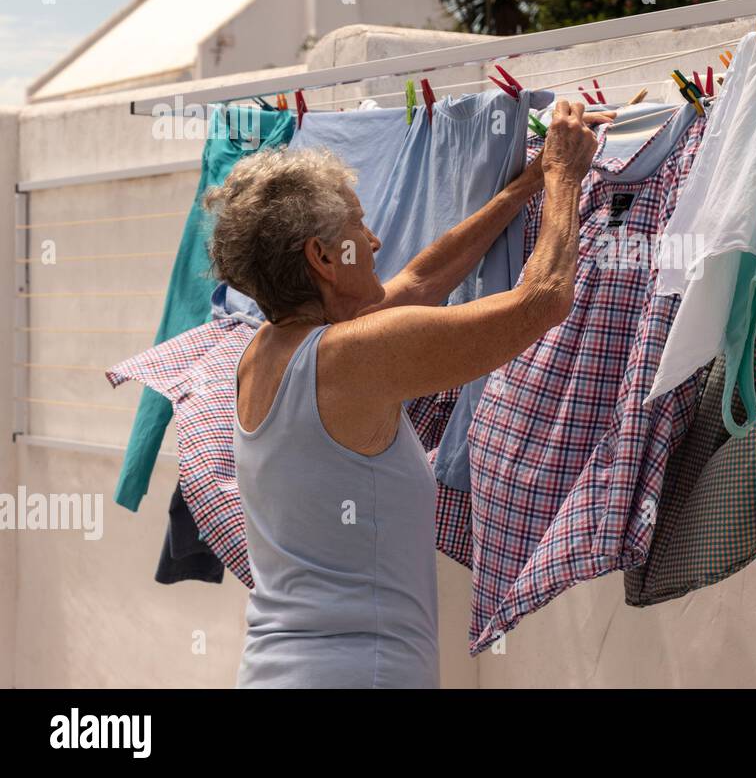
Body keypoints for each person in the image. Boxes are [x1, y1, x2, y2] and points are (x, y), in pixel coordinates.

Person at [204, 99, 603, 688]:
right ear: (321, 258)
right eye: (357, 228)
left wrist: (522, 189)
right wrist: (566, 177)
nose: (375, 238)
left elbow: (420, 281)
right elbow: (542, 301)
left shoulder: (268, 350)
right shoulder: (352, 357)